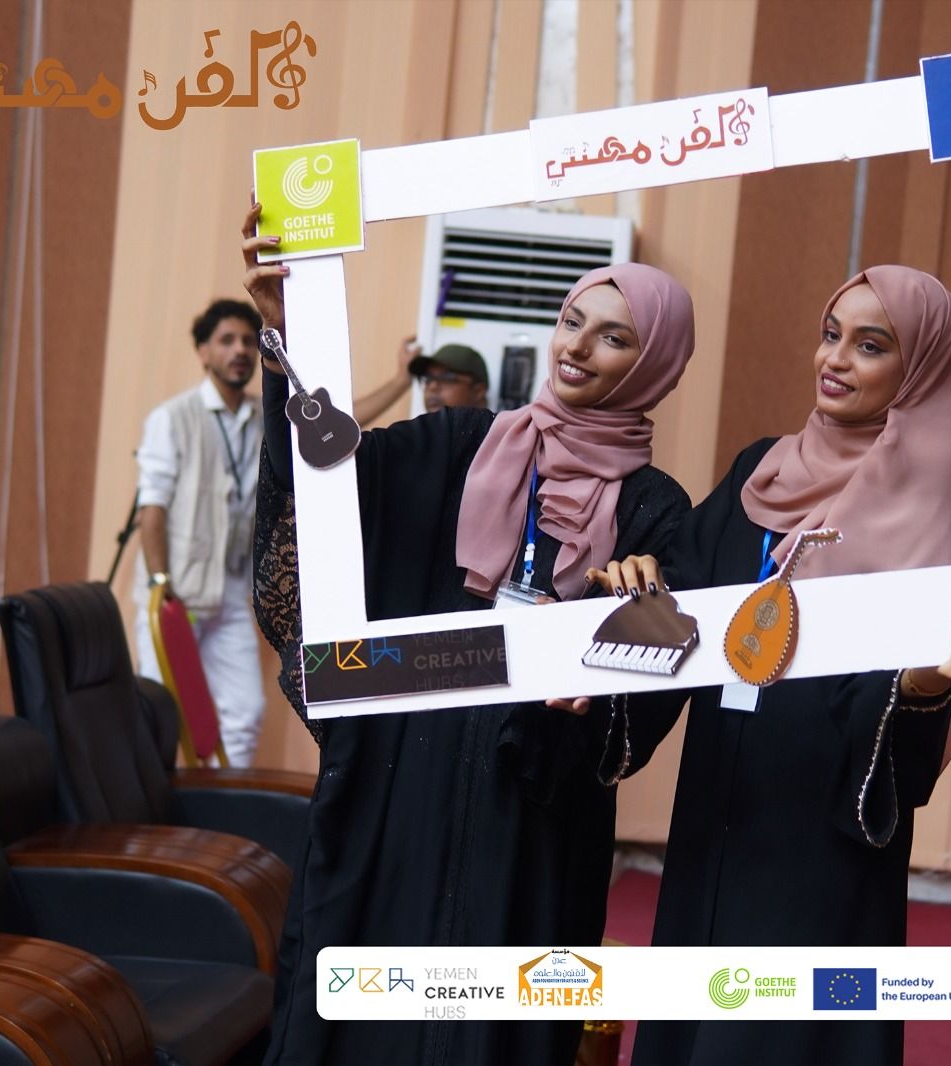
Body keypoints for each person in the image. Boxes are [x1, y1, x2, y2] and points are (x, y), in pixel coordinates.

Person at [240, 195, 697, 1065]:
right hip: (394, 794)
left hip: (528, 834)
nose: (576, 347)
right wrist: (289, 341)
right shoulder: (457, 444)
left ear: (656, 366)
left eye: (614, 338)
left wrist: (622, 634)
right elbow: (321, 491)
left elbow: (637, 716)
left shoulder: (656, 515)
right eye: (572, 322)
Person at [580, 266, 951, 1066]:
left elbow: (898, 729)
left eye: (871, 346)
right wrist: (628, 599)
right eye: (830, 335)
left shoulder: (920, 511)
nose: (835, 359)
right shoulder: (761, 471)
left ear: (922, 370)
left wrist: (928, 682)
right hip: (714, 815)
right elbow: (678, 614)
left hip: (817, 849)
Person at [133, 298, 267, 767]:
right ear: (203, 352)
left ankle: (227, 807)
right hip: (178, 591)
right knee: (161, 716)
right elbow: (152, 506)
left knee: (245, 713)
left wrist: (400, 380)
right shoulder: (173, 417)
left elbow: (333, 420)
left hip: (230, 590)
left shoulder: (264, 416)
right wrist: (160, 584)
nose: (240, 350)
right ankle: (151, 810)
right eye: (227, 340)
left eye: (248, 341)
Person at [351, 337, 491, 425]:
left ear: (478, 391)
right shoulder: (417, 441)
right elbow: (342, 427)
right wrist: (401, 381)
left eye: (446, 378)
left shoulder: (497, 444)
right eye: (428, 379)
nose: (432, 386)